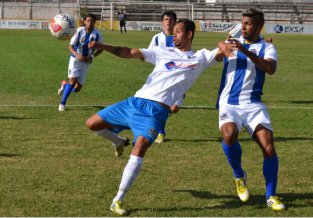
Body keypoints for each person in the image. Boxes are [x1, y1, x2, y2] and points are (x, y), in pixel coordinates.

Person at [86, 19, 223, 215]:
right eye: (173, 32)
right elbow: (129, 52)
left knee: (140, 146)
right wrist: (103, 46)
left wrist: (227, 43)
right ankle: (118, 142)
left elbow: (220, 53)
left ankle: (118, 199)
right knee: (92, 124)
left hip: (155, 113)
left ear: (190, 34)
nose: (173, 35)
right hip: (134, 102)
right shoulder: (162, 51)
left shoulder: (200, 57)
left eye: (178, 32)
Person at [216, 8, 285, 210]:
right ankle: (239, 175)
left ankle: (271, 196)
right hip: (229, 102)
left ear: (259, 26)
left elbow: (270, 69)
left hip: (253, 104)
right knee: (229, 135)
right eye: (243, 23)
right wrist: (222, 45)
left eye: (248, 23)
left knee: (268, 147)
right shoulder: (232, 43)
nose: (244, 27)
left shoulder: (267, 47)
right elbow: (219, 55)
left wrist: (245, 50)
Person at [148, 10, 183, 143]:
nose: (168, 22)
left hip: (179, 77)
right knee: (162, 105)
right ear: (162, 22)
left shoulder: (180, 37)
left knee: (174, 108)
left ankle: (157, 122)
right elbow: (150, 54)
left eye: (171, 19)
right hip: (162, 79)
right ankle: (160, 132)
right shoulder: (157, 38)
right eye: (166, 19)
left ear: (175, 22)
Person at [57, 13, 103, 112]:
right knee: (72, 81)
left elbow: (101, 48)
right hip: (75, 59)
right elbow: (70, 46)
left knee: (77, 88)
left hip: (86, 61)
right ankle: (62, 103)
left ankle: (65, 86)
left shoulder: (97, 34)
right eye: (88, 21)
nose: (89, 23)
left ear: (95, 22)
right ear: (84, 21)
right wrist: (77, 55)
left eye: (92, 21)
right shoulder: (78, 31)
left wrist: (92, 56)